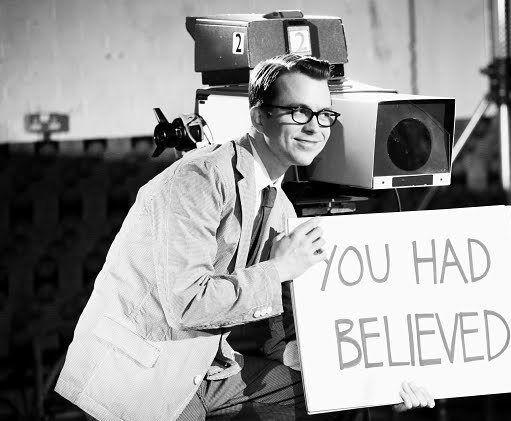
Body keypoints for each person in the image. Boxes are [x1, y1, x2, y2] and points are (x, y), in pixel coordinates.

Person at [56, 54, 434, 420]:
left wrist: (377, 385)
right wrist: (280, 268)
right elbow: (187, 304)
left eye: (324, 115)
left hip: (212, 371)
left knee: (339, 400)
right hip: (144, 370)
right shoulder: (199, 179)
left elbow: (276, 338)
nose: (315, 127)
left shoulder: (281, 208)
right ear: (258, 116)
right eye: (298, 112)